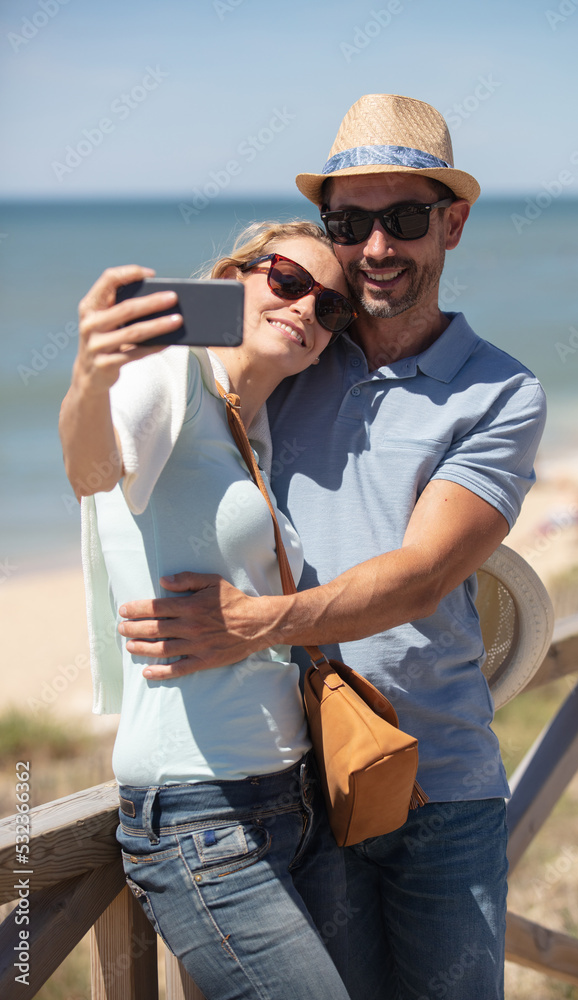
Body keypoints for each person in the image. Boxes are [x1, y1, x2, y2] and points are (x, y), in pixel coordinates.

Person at [116, 95, 547, 1000]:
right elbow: (130, 316)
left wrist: (255, 624)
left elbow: (423, 575)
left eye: (404, 219)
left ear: (452, 224)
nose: (377, 248)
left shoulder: (501, 393)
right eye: (349, 222)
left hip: (440, 784)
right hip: (303, 789)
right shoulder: (300, 333)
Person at [58, 220, 357, 1000]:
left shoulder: (249, 429)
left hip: (293, 798)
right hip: (200, 816)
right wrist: (93, 372)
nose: (306, 308)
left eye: (331, 308)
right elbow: (93, 469)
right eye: (288, 280)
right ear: (234, 280)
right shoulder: (168, 375)